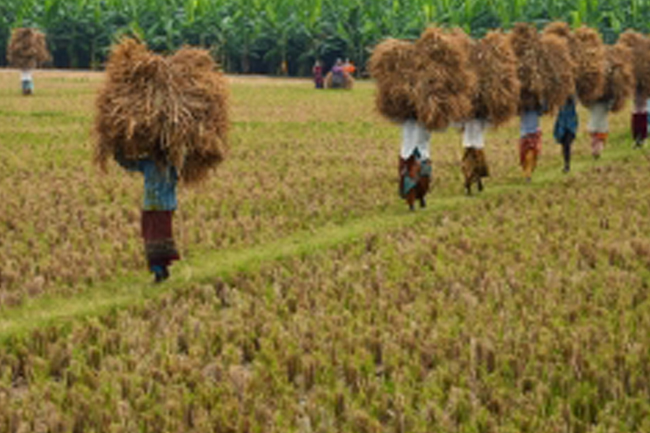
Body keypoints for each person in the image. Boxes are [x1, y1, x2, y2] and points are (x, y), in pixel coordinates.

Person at [115, 150, 180, 283]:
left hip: (160, 208)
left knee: (156, 238)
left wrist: (119, 156)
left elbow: (129, 164)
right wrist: (118, 154)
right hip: (155, 207)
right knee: (154, 237)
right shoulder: (152, 164)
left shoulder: (170, 166)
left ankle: (159, 271)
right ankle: (161, 269)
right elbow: (129, 164)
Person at [400, 119, 432, 211]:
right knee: (409, 178)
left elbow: (427, 136)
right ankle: (411, 203)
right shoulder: (407, 123)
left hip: (422, 153)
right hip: (409, 154)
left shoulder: (425, 123)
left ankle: (421, 198)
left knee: (424, 179)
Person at [459, 119, 490, 195]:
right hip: (474, 146)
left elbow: (459, 125)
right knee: (472, 168)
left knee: (475, 167)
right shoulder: (479, 119)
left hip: (471, 146)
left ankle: (475, 183)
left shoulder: (467, 118)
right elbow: (487, 125)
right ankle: (469, 186)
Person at [553, 97, 578, 173]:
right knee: (564, 146)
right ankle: (566, 163)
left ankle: (567, 165)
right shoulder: (560, 101)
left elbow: (575, 99)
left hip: (570, 125)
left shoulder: (572, 101)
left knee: (567, 144)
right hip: (562, 125)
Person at [519, 108, 543, 181]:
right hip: (524, 135)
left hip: (534, 134)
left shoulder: (536, 109)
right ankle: (527, 174)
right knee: (525, 156)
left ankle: (528, 174)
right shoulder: (522, 110)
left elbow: (543, 110)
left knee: (532, 155)